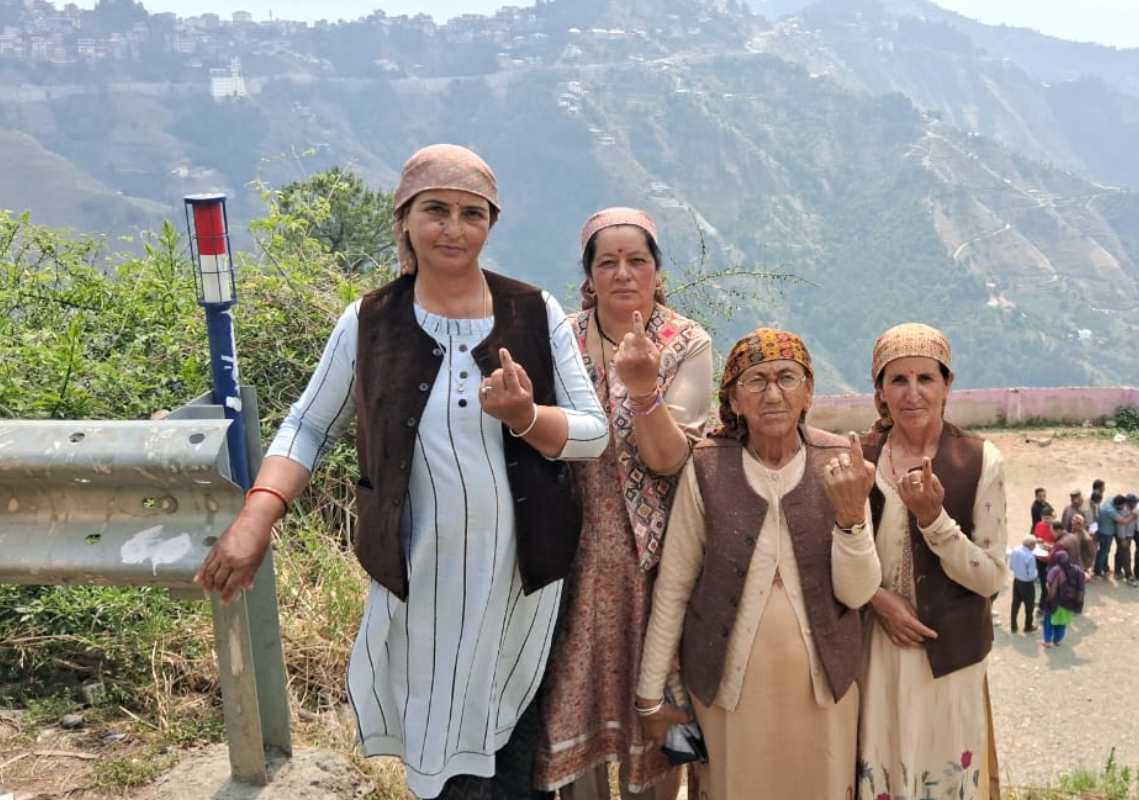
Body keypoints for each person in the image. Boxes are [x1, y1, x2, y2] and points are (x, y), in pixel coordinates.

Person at [195, 145, 610, 799]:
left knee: (513, 759)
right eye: (435, 210)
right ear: (405, 220)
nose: (453, 228)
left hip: (520, 587)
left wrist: (529, 416)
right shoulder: (370, 321)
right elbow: (307, 424)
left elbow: (593, 434)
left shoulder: (534, 312)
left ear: (491, 225)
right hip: (422, 584)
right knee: (439, 752)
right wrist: (257, 516)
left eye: (472, 213)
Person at [635, 329, 881, 800]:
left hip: (822, 687)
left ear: (809, 391)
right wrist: (649, 696)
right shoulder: (706, 466)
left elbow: (857, 593)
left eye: (787, 378)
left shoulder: (839, 462)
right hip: (729, 691)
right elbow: (674, 585)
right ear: (733, 398)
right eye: (756, 381)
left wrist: (852, 518)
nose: (773, 394)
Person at [534, 209, 713, 799]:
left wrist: (642, 390)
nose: (622, 273)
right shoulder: (559, 336)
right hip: (573, 559)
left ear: (658, 272)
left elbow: (669, 460)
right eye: (606, 261)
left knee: (659, 704)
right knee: (572, 704)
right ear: (588, 277)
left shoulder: (686, 342)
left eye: (637, 259)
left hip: (656, 562)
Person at [855, 323, 1008, 800]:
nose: (913, 393)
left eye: (926, 378)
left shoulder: (981, 461)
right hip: (875, 653)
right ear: (879, 391)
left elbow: (990, 579)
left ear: (948, 385)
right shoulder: (860, 458)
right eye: (898, 380)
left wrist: (934, 521)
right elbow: (835, 554)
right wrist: (878, 599)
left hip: (950, 660)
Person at [1041, 550, 1086, 649]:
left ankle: (1048, 641)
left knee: (1048, 621)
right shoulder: (1078, 570)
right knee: (1062, 622)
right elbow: (1081, 586)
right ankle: (1057, 641)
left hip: (1055, 602)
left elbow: (1048, 585)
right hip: (1069, 603)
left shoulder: (1055, 570)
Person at [1009, 537, 1039, 634]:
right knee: (1029, 606)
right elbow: (1031, 576)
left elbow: (1011, 566)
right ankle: (1028, 626)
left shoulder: (1015, 550)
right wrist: (1036, 573)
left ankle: (1013, 626)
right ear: (1031, 545)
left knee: (1015, 604)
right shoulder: (1030, 556)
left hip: (1017, 581)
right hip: (1027, 584)